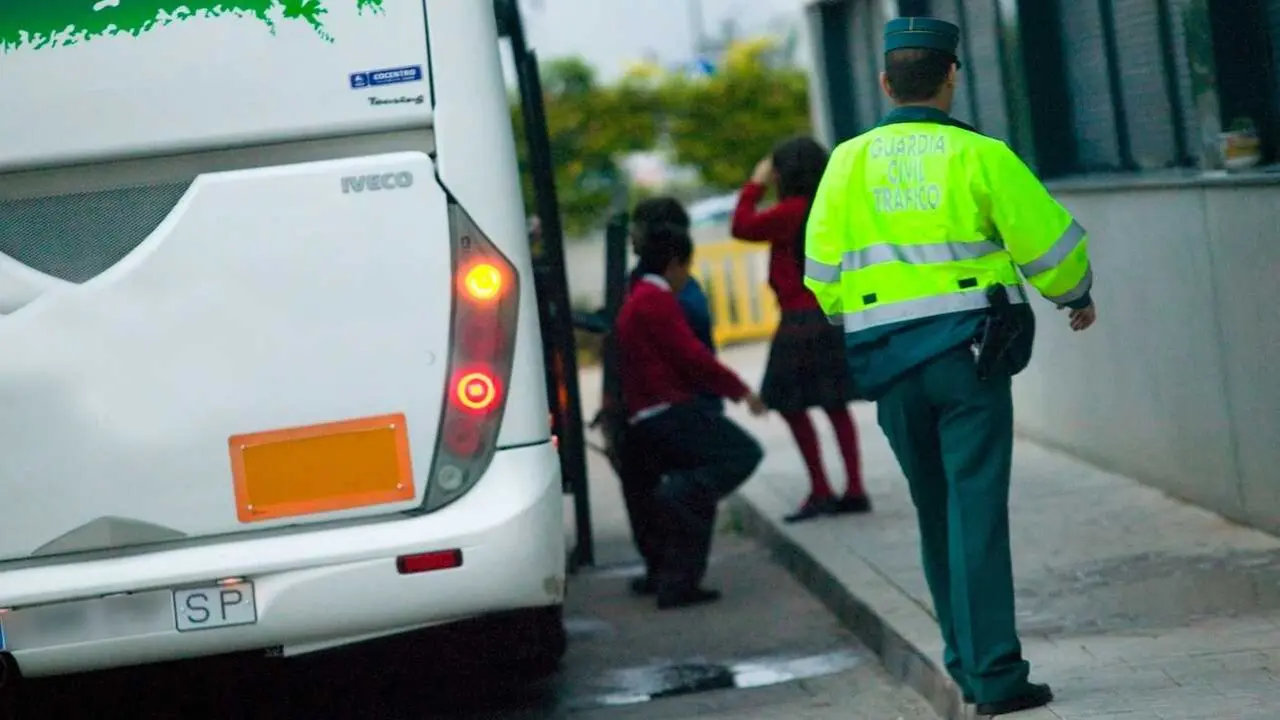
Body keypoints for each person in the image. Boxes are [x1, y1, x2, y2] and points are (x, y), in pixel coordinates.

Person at [803, 17, 1098, 717]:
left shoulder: (845, 162)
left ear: (883, 82)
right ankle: (997, 677)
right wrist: (1074, 296)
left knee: (934, 512)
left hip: (889, 363)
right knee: (977, 513)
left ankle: (965, 667)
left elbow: (820, 273)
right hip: (970, 359)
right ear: (951, 77)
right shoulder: (980, 154)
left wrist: (862, 315)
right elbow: (1050, 246)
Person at [615, 222, 767, 610]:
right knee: (738, 456)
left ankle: (673, 578)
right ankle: (679, 569)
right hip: (668, 411)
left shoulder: (636, 297)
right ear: (674, 263)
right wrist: (741, 390)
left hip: (644, 417)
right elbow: (692, 355)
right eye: (686, 267)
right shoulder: (655, 300)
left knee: (690, 491)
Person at [731, 136, 870, 523]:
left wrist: (755, 184)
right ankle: (854, 488)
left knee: (790, 404)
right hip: (831, 315)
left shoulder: (789, 211)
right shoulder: (831, 206)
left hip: (798, 318)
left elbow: (741, 226)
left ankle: (821, 488)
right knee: (834, 403)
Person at [609, 197, 721, 597]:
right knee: (648, 493)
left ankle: (677, 576)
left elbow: (690, 355)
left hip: (675, 406)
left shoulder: (668, 290)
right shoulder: (653, 282)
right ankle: (667, 570)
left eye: (638, 228)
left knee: (679, 493)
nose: (631, 237)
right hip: (659, 406)